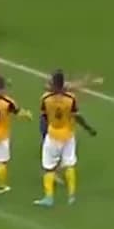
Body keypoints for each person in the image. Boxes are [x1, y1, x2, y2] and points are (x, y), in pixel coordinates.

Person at [36, 70, 97, 208]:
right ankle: (71, 195)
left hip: (53, 134)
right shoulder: (71, 98)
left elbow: (44, 116)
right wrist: (88, 128)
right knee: (69, 164)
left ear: (53, 83)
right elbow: (77, 116)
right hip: (68, 135)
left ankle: (49, 198)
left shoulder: (46, 98)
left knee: (48, 167)